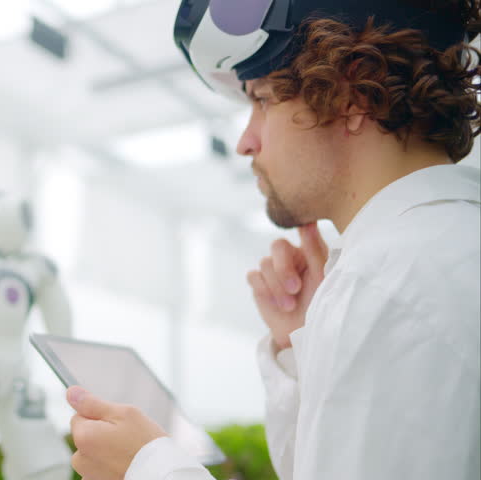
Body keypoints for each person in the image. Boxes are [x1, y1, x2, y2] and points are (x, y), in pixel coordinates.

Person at [66, 1, 481, 479]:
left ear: (351, 95)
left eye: (261, 98)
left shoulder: (390, 287)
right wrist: (303, 345)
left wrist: (147, 467)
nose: (245, 140)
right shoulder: (427, 258)